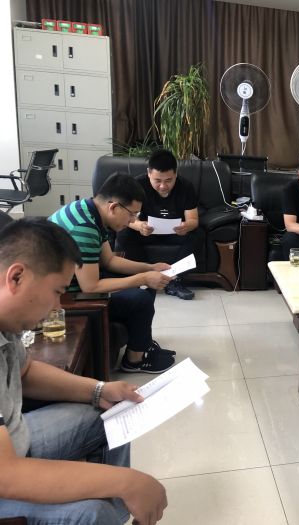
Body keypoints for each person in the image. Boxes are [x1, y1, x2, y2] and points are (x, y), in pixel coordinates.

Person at [0, 218, 167, 525]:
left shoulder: (7, 323)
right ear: (17, 277)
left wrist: (99, 389)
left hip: (14, 440)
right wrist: (125, 481)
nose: (57, 305)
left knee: (111, 415)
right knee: (91, 514)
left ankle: (115, 516)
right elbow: (6, 474)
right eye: (57, 291)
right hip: (5, 471)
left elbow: (25, 372)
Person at [49, 173, 176, 374]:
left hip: (80, 282)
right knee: (141, 297)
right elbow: (90, 287)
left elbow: (109, 260)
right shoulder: (84, 228)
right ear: (114, 207)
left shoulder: (90, 211)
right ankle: (135, 361)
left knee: (146, 285)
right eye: (132, 214)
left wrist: (150, 268)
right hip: (65, 298)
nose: (133, 220)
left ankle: (140, 343)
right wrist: (143, 277)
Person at [116, 149, 197, 301]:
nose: (163, 186)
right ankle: (143, 277)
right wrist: (139, 226)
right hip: (146, 232)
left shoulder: (186, 187)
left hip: (175, 233)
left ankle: (174, 280)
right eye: (157, 181)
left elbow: (193, 220)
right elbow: (125, 217)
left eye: (168, 180)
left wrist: (186, 226)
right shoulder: (137, 185)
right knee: (124, 234)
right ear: (149, 173)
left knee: (197, 234)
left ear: (176, 174)